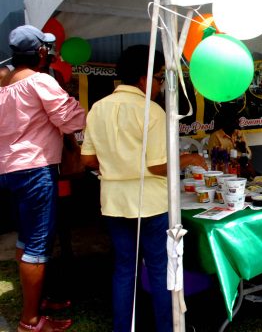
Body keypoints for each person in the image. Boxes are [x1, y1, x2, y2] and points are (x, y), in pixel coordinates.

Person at [80, 45, 206, 332]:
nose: (162, 85)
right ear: (143, 79)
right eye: (160, 78)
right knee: (159, 269)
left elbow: (87, 160)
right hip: (150, 203)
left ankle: (122, 328)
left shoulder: (98, 108)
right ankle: (166, 327)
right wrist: (188, 158)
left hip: (114, 203)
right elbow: (157, 166)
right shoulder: (153, 112)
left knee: (125, 269)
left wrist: (115, 162)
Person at [0, 25, 86, 332]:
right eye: (46, 49)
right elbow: (71, 118)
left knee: (25, 240)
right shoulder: (40, 82)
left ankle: (36, 304)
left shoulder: (5, 86)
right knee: (36, 244)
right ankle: (30, 322)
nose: (48, 54)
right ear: (39, 53)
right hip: (37, 171)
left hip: (10, 171)